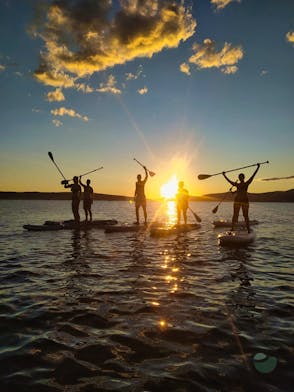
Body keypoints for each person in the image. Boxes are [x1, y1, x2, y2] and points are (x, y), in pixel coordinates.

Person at [222, 164, 260, 233]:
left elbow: (253, 176)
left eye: (241, 177)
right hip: (237, 200)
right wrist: (224, 175)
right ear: (239, 178)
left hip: (245, 201)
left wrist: (258, 167)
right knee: (235, 215)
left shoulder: (246, 183)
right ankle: (232, 228)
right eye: (239, 177)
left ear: (243, 178)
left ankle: (248, 230)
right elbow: (229, 182)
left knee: (245, 215)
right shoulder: (237, 185)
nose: (240, 178)